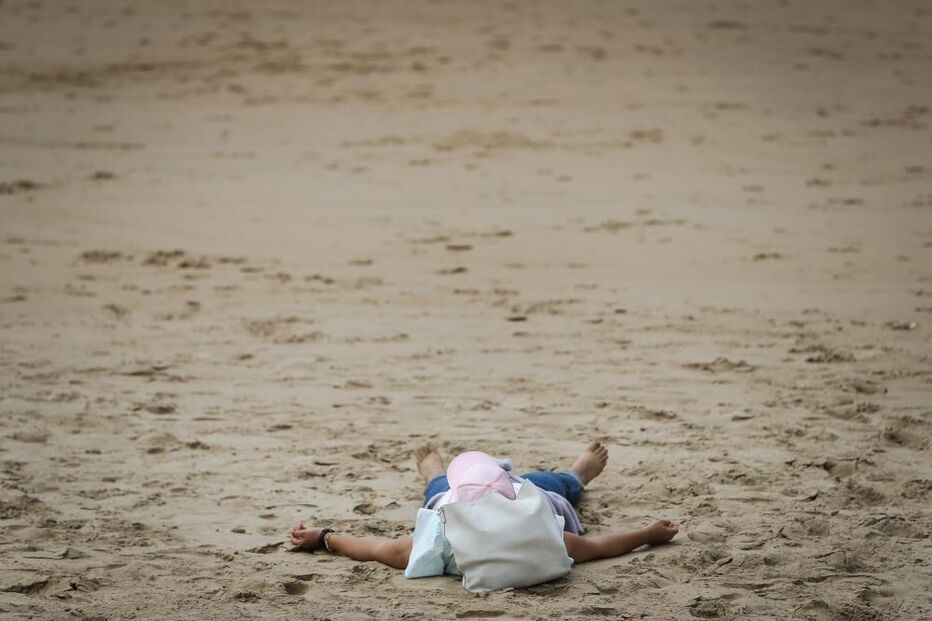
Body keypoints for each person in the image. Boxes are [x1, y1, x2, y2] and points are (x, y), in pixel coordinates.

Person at [288, 442, 679, 573]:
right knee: (552, 484)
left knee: (439, 488)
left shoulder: (442, 535)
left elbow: (374, 549)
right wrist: (648, 535)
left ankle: (435, 475)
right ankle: (575, 477)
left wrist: (324, 536)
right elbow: (599, 547)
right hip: (535, 495)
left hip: (452, 498)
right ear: (513, 495)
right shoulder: (538, 530)